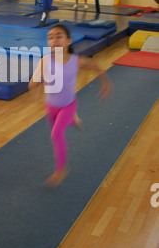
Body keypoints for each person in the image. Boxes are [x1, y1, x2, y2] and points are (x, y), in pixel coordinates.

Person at [29, 24, 113, 187]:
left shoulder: (76, 61)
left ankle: (61, 170)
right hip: (51, 106)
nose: (54, 40)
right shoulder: (45, 60)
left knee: (56, 135)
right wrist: (35, 86)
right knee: (56, 128)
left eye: (59, 36)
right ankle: (75, 121)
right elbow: (33, 80)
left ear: (69, 40)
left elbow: (95, 65)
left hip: (68, 105)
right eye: (51, 37)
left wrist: (105, 84)